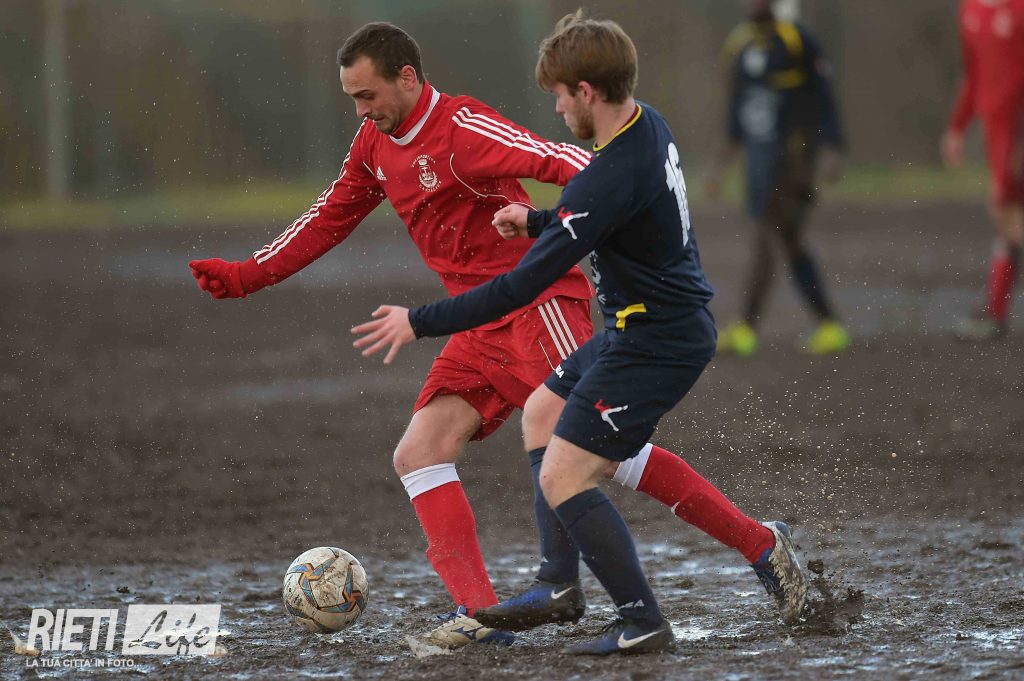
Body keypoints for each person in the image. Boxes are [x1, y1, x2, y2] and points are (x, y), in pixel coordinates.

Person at [351, 11, 808, 655]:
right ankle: (557, 582)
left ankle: (646, 617)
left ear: (587, 91)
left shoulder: (606, 176)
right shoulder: (647, 126)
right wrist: (539, 220)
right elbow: (610, 214)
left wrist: (417, 320)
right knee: (544, 412)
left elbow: (517, 287)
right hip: (637, 326)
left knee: (570, 473)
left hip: (659, 339)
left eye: (561, 96)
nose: (558, 109)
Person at [707, 0, 849, 356]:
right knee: (790, 240)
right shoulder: (739, 46)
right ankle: (829, 324)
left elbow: (824, 97)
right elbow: (736, 113)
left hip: (794, 160)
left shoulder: (796, 39)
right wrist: (721, 164)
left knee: (767, 234)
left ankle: (746, 327)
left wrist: (832, 147)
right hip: (758, 163)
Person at [942, 0, 1024, 340]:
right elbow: (974, 74)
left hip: (1018, 132)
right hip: (997, 135)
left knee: (1008, 214)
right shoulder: (970, 11)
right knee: (1008, 218)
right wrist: (958, 127)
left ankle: (995, 311)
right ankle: (995, 311)